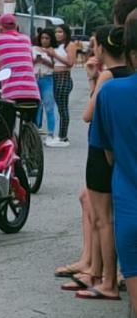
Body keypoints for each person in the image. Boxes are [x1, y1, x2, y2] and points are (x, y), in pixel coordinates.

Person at [64, 25, 130, 302]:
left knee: (103, 219)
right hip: (117, 150)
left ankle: (105, 280)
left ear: (102, 48)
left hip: (101, 151)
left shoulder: (107, 76)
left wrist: (92, 80)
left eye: (94, 45)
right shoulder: (129, 74)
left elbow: (89, 114)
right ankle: (99, 273)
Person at [0, 13, 41, 110]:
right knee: (28, 119)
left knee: (5, 122)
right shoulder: (26, 39)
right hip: (33, 92)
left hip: (11, 93)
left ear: (0, 27)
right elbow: (29, 62)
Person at [44, 24, 76, 147]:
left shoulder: (70, 45)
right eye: (56, 32)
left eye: (60, 31)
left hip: (64, 77)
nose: (58, 34)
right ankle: (54, 133)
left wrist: (55, 55)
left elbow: (70, 63)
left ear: (66, 33)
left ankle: (63, 136)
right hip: (52, 76)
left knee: (63, 107)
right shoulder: (55, 46)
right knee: (52, 106)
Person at [33, 28, 57, 133]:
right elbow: (28, 63)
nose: (44, 40)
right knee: (36, 105)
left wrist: (45, 60)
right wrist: (35, 60)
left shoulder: (53, 50)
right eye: (42, 38)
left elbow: (56, 65)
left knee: (49, 105)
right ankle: (36, 127)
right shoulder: (33, 49)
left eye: (47, 38)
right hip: (34, 78)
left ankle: (51, 132)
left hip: (47, 78)